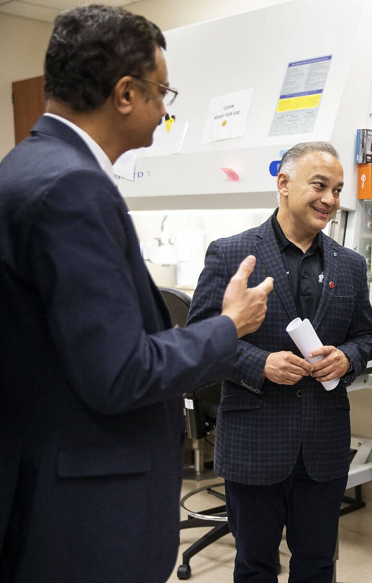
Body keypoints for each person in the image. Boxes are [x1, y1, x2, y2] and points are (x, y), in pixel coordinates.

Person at [0, 5, 273, 583]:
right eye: (163, 94)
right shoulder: (73, 187)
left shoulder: (24, 168)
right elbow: (120, 373)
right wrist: (229, 325)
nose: (163, 111)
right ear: (126, 93)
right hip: (85, 514)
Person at [187, 141, 372, 583]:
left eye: (337, 189)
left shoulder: (349, 265)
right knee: (255, 565)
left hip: (323, 445)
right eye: (320, 186)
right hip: (254, 441)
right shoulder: (232, 253)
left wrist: (346, 358)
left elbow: (365, 336)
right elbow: (199, 340)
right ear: (284, 183)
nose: (330, 199)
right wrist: (261, 363)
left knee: (316, 565)